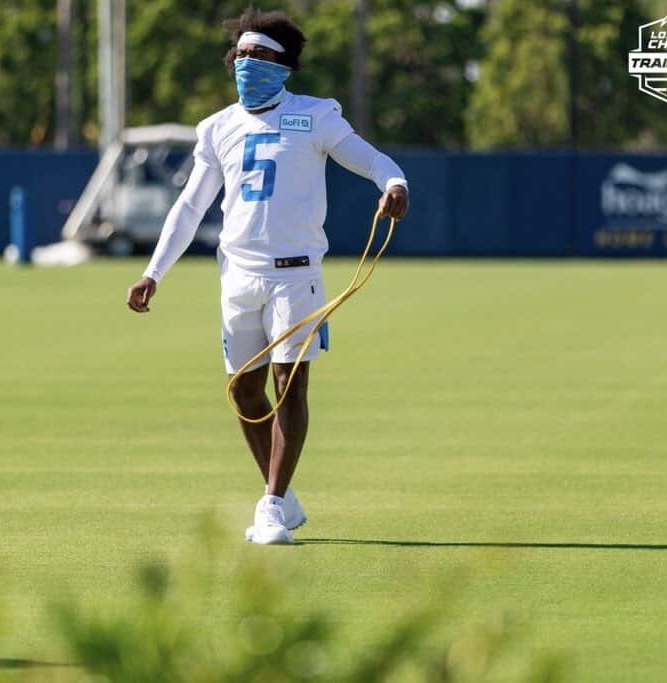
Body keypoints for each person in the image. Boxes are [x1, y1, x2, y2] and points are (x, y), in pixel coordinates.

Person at [125, 9, 410, 545]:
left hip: (295, 275)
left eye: (259, 56)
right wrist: (152, 272)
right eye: (241, 56)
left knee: (290, 385)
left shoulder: (316, 116)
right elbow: (190, 206)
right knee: (243, 391)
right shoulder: (217, 128)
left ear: (284, 67)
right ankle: (281, 496)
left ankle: (272, 503)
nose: (246, 65)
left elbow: (370, 160)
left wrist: (394, 184)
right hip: (237, 275)